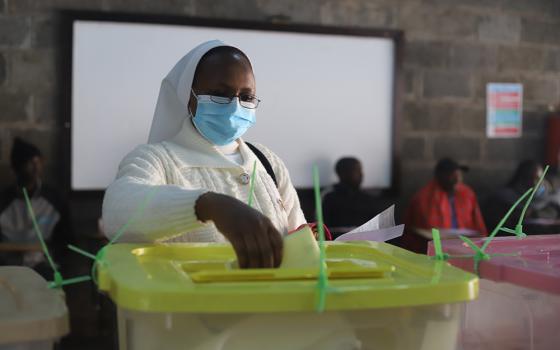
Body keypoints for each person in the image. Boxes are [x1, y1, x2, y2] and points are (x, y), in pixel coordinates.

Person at [102, 41, 306, 269]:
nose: (234, 106)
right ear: (189, 98)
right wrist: (207, 206)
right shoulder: (156, 159)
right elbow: (116, 213)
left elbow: (300, 242)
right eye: (220, 94)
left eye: (246, 97)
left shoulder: (266, 160)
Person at [0, 138, 71, 278]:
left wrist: (50, 254)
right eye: (29, 162)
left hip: (43, 267)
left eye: (38, 161)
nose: (35, 167)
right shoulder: (3, 201)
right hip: (8, 268)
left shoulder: (54, 199)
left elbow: (66, 240)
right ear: (17, 167)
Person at [402, 158, 487, 252]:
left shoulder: (467, 194)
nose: (457, 179)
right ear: (440, 176)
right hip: (434, 250)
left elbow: (479, 226)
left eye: (458, 175)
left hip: (466, 247)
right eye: (452, 175)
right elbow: (423, 232)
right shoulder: (424, 198)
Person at [483, 160, 560, 233]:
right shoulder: (501, 201)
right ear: (521, 179)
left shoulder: (551, 200)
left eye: (539, 178)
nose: (536, 183)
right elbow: (498, 228)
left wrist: (535, 214)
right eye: (530, 178)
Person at [322, 157, 384, 237]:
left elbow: (378, 227)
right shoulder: (328, 197)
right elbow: (320, 227)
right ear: (343, 173)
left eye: (361, 170)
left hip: (366, 244)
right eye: (357, 170)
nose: (362, 174)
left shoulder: (368, 199)